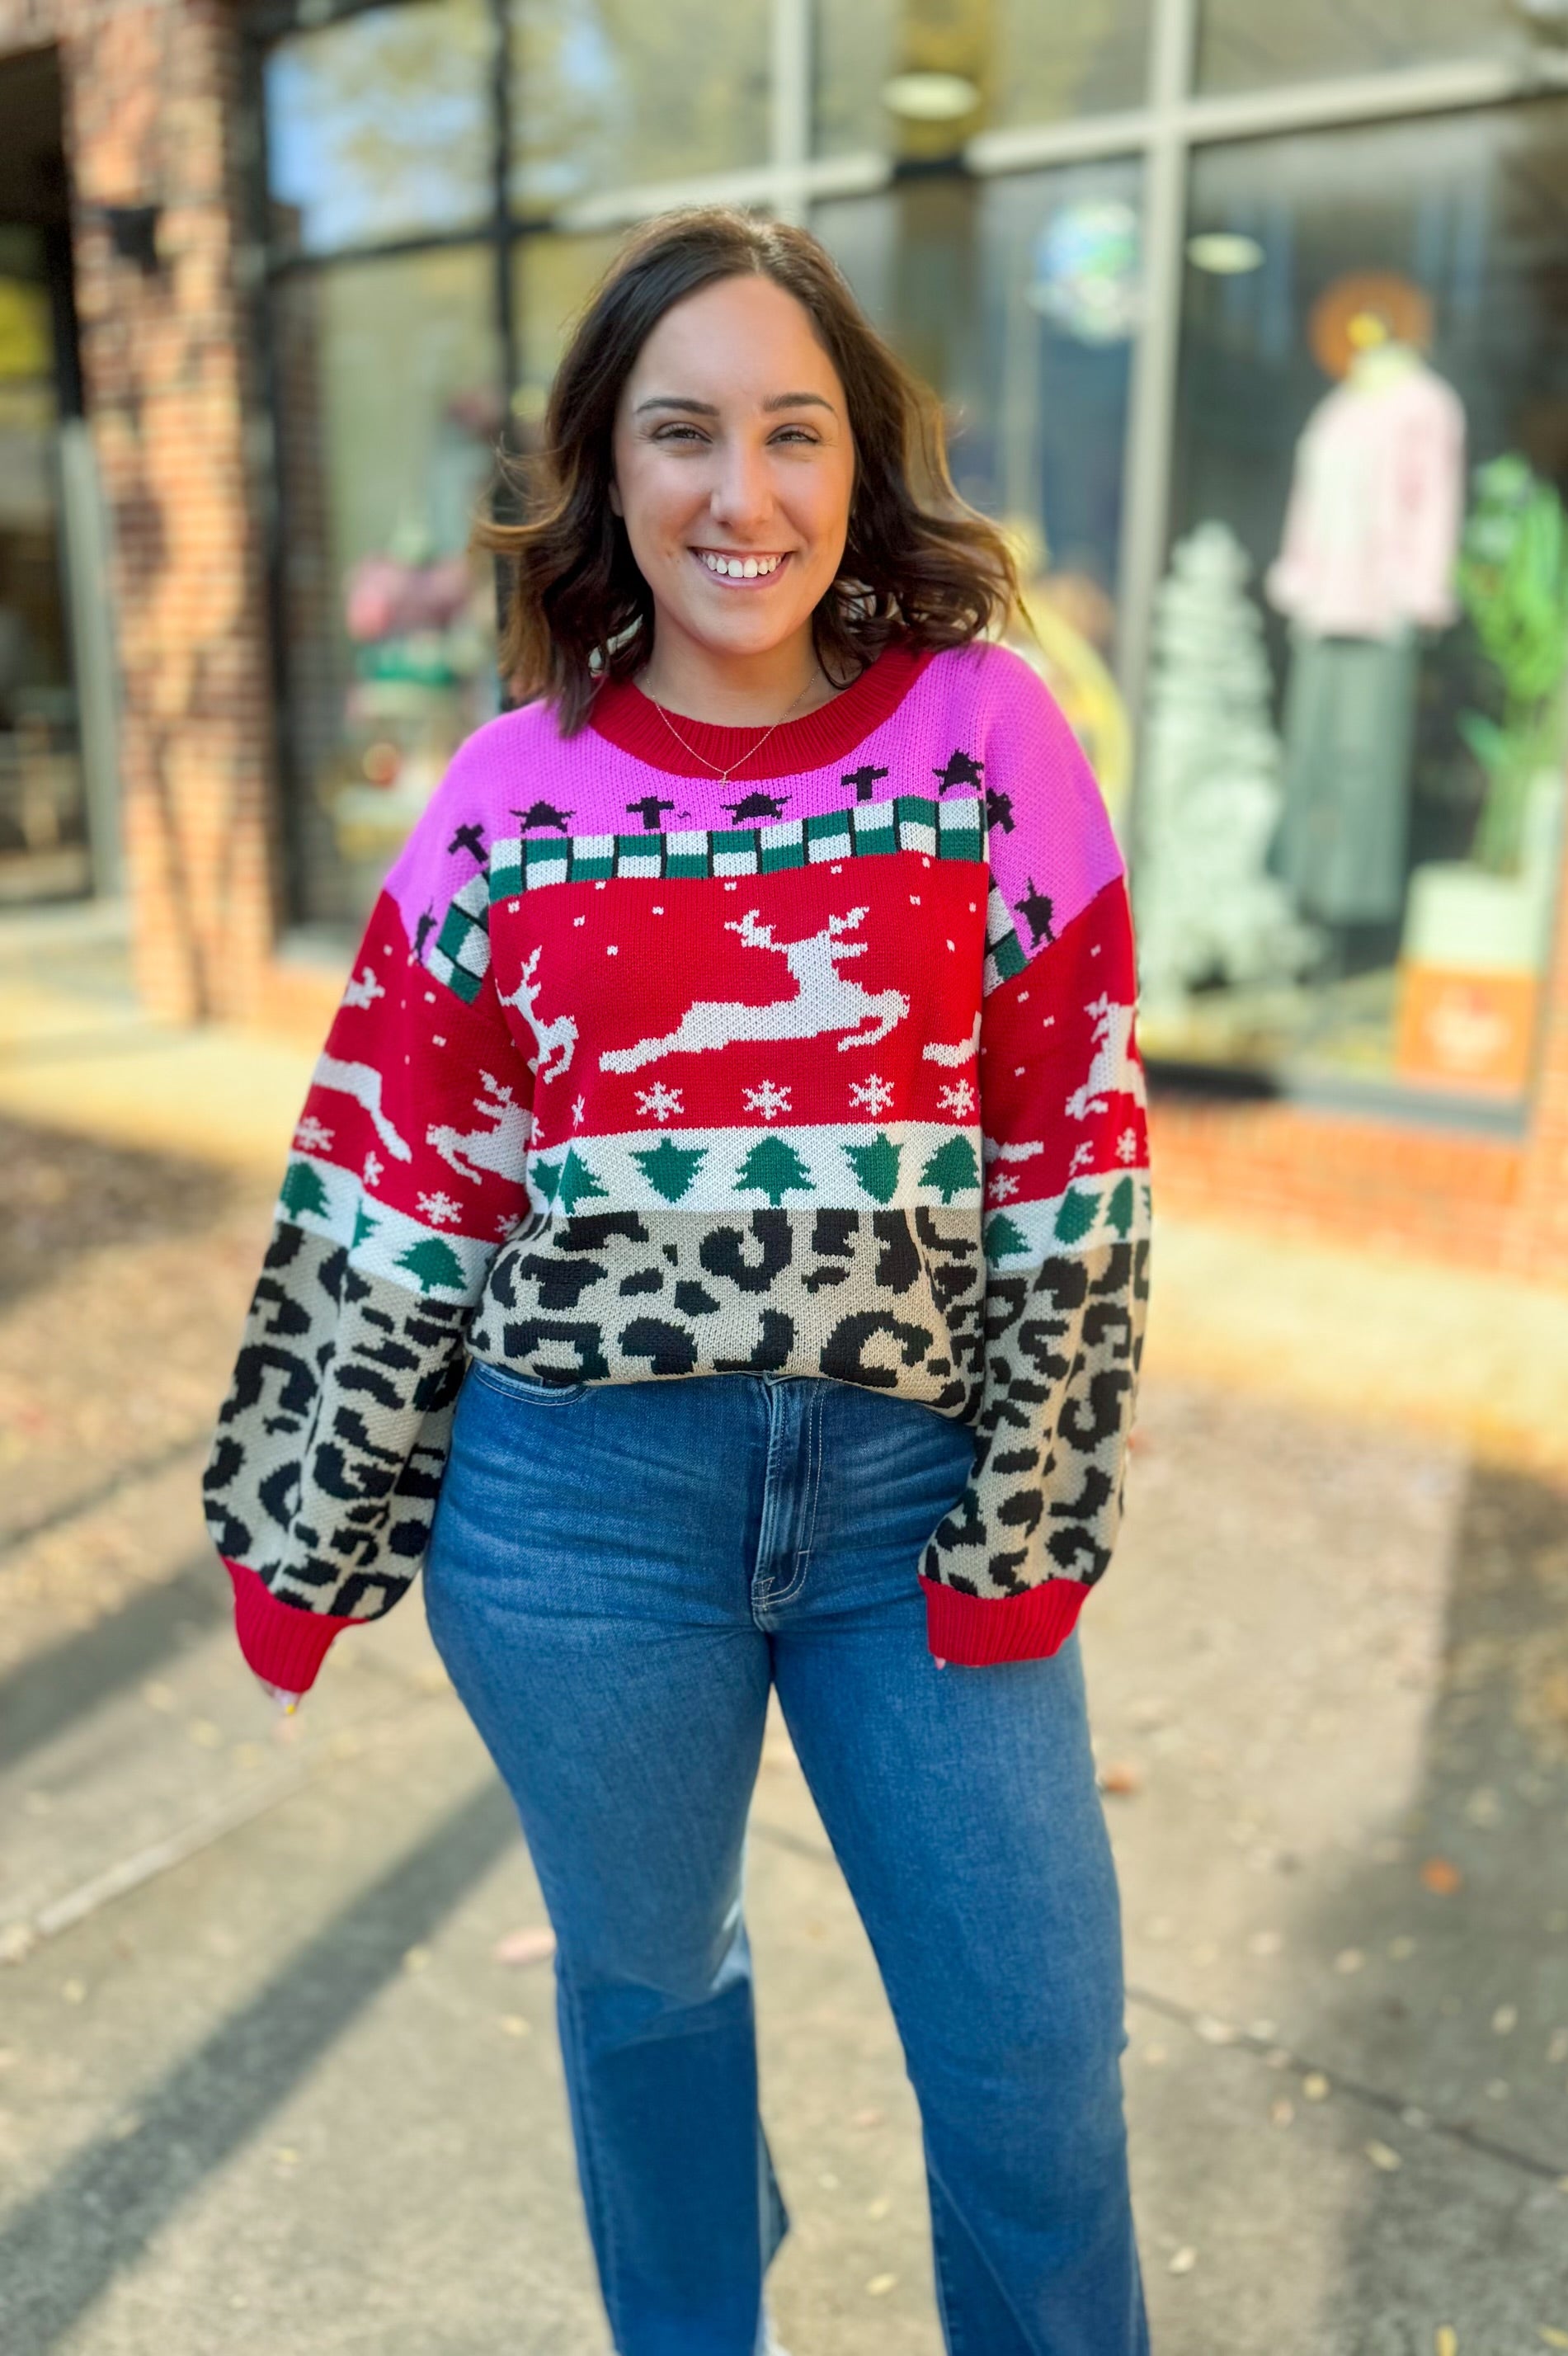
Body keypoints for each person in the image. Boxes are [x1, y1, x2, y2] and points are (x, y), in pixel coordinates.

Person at [205, 206, 1152, 2356]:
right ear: (607, 477)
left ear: (859, 467)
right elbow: (386, 1179)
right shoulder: (503, 800)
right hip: (579, 1528)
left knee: (1033, 2067)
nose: (747, 493)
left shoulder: (988, 743)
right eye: (685, 434)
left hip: (916, 1520)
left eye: (795, 433)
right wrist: (304, 1544)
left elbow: (1079, 1163)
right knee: (652, 2007)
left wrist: (1036, 1518)